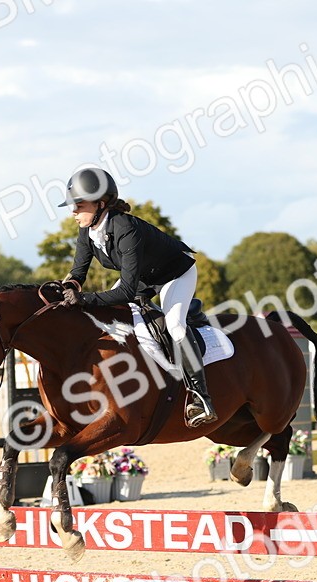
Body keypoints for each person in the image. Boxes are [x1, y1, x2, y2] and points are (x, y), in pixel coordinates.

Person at [58, 167, 217, 427]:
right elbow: (78, 272)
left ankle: (201, 398)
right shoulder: (87, 230)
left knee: (175, 325)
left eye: (78, 205)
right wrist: (65, 287)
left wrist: (84, 299)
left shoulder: (126, 229)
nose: (73, 212)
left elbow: (126, 292)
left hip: (175, 273)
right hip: (144, 276)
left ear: (100, 204)